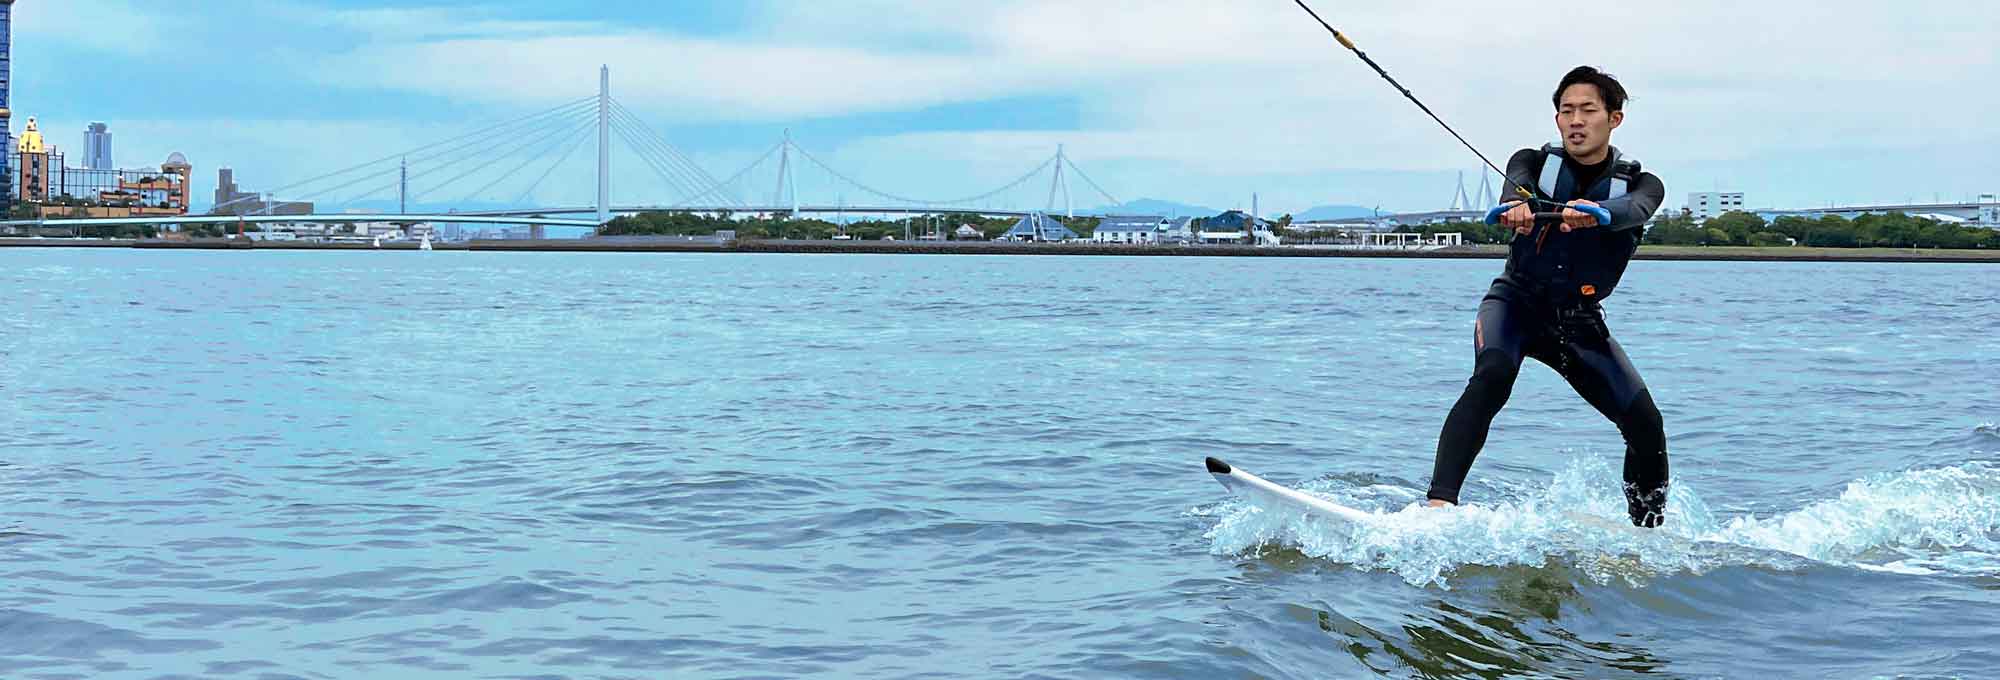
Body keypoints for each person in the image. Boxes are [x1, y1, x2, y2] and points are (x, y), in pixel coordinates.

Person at [1424, 66, 1670, 527]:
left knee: (1646, 425)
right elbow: (1510, 190)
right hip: (1514, 304)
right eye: (1566, 111)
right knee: (1493, 372)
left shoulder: (1642, 185)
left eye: (1588, 110)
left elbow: (1633, 210)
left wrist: (1598, 213)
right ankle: (1438, 507)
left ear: (1614, 119)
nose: (1575, 120)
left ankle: (1649, 537)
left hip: (1578, 324)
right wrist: (1513, 208)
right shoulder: (1531, 164)